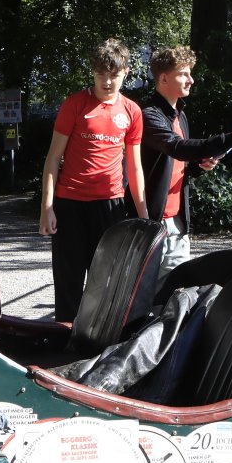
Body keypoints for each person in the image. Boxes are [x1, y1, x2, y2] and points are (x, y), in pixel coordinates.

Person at [39, 38, 146, 321]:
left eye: (114, 75)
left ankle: (101, 339)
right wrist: (47, 208)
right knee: (68, 281)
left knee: (106, 282)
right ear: (92, 72)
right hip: (70, 203)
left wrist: (144, 215)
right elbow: (53, 158)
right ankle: (65, 339)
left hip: (110, 205)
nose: (107, 82)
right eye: (101, 74)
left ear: (125, 72)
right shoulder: (74, 104)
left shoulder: (132, 111)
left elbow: (135, 167)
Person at [137, 45, 232, 274]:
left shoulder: (181, 115)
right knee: (143, 289)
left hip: (177, 222)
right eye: (184, 74)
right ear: (164, 78)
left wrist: (198, 166)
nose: (191, 80)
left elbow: (179, 165)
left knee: (177, 286)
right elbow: (176, 148)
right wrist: (231, 138)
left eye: (190, 73)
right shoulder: (149, 115)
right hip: (152, 221)